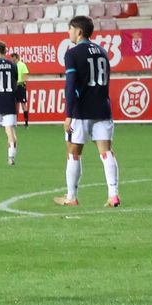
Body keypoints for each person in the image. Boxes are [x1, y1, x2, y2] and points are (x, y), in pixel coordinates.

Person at [56, 16, 119, 208]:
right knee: (106, 153)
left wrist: (68, 114)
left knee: (73, 153)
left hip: (81, 111)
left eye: (70, 29)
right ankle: (113, 195)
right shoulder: (102, 52)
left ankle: (71, 196)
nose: (69, 33)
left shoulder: (72, 53)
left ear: (79, 31)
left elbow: (70, 85)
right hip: (102, 108)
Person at [11, 50, 31, 124]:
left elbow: (25, 76)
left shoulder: (22, 65)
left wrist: (23, 82)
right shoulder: (12, 65)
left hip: (20, 86)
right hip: (14, 87)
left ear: (16, 58)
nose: (11, 59)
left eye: (12, 58)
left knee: (23, 104)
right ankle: (14, 122)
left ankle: (26, 123)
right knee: (15, 105)